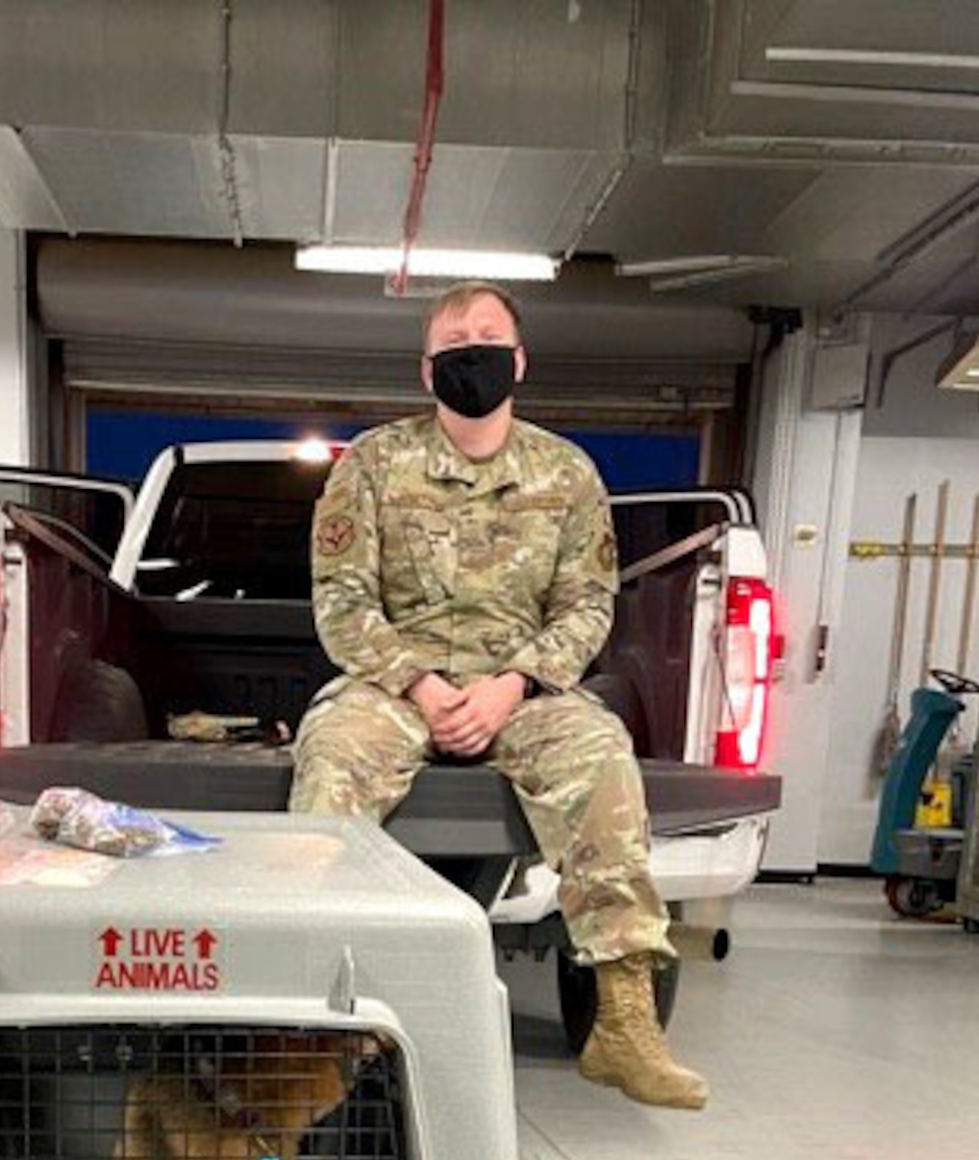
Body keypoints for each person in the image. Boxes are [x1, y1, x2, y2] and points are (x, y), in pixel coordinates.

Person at [289, 281, 708, 1111]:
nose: (469, 352)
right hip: (397, 682)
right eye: (453, 340)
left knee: (601, 756)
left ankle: (623, 1024)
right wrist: (421, 682)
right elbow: (341, 600)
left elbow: (589, 603)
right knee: (330, 768)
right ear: (427, 368)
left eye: (486, 338)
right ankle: (312, 1029)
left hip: (522, 686)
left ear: (517, 360)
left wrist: (514, 685)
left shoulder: (566, 473)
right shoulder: (373, 464)